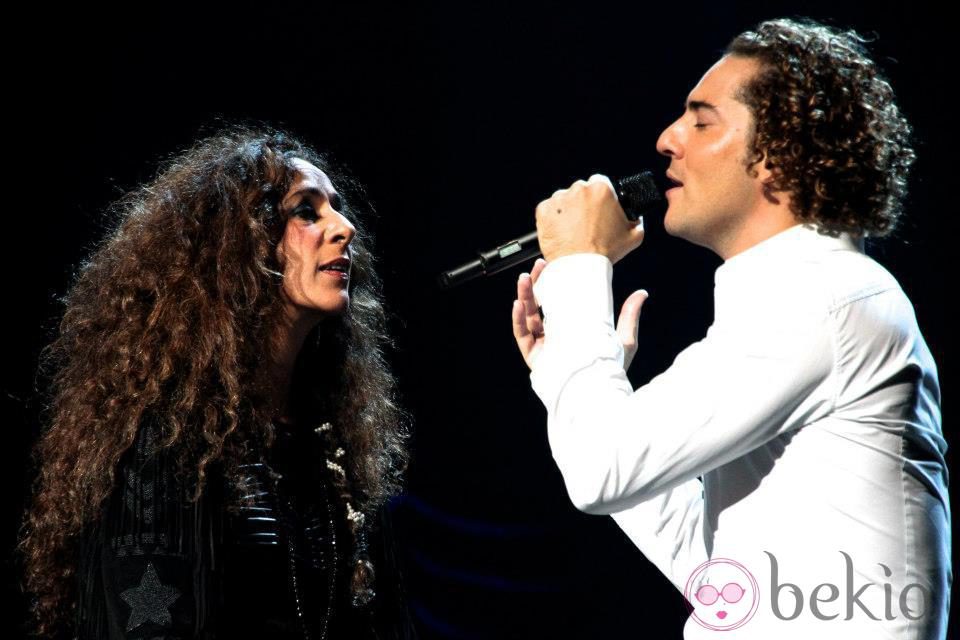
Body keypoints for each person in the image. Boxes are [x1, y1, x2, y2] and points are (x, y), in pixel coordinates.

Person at [511, 17, 950, 639]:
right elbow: (725, 579)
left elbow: (601, 470)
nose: (667, 139)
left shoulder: (825, 298)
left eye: (701, 120)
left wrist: (583, 263)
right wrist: (567, 378)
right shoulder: (804, 301)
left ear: (781, 155)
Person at [20, 127, 415, 639]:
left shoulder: (328, 446)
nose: (344, 227)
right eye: (305, 211)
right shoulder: (167, 444)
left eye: (337, 208)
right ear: (240, 247)